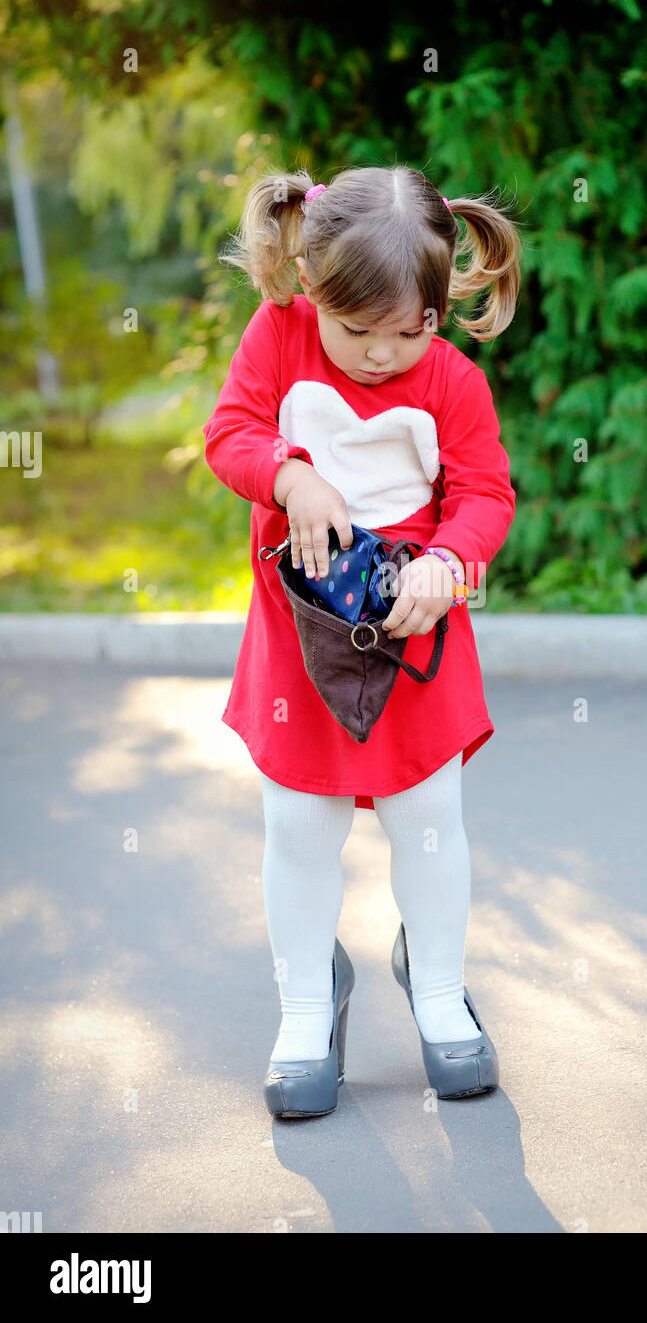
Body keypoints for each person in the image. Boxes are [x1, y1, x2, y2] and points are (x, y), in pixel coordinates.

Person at [202, 164, 520, 1115]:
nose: (380, 356)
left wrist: (450, 563)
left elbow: (484, 494)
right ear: (312, 289)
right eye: (356, 332)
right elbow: (229, 433)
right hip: (300, 644)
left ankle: (435, 986)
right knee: (300, 826)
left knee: (429, 821)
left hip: (413, 640)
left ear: (437, 306)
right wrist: (291, 478)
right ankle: (306, 1001)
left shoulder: (453, 382)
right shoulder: (279, 336)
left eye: (406, 331)